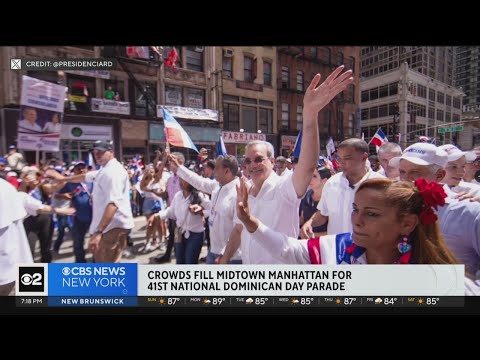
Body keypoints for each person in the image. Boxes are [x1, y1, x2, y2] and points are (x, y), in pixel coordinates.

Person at [234, 176, 479, 294]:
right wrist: (249, 220)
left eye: (371, 214)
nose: (356, 220)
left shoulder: (445, 286)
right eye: (355, 210)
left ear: (407, 223)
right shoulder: (336, 248)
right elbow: (287, 248)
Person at [220, 65, 354, 264]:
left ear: (272, 161)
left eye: (258, 159)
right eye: (247, 161)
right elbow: (239, 229)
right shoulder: (245, 191)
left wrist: (310, 113)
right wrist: (224, 260)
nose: (252, 165)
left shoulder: (284, 187)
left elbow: (307, 166)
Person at [389, 142, 480, 275]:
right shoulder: (392, 208)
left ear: (439, 175)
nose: (406, 179)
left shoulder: (469, 213)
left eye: (415, 172)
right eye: (402, 172)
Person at [46, 140, 134, 262]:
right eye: (95, 152)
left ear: (111, 152)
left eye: (101, 152)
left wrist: (99, 232)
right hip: (109, 226)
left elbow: (113, 204)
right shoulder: (105, 170)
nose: (97, 155)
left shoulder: (113, 172)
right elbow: (86, 176)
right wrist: (63, 178)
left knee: (105, 268)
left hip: (112, 227)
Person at [301, 138, 384, 238]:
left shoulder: (381, 185)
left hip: (368, 250)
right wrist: (310, 223)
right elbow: (323, 213)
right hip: (336, 250)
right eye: (339, 158)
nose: (341, 163)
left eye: (347, 158)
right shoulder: (332, 183)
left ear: (364, 157)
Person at [168, 153, 242, 264]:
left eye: (216, 168)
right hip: (213, 251)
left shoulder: (239, 193)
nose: (213, 171)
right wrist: (179, 167)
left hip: (231, 257)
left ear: (227, 171)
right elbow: (198, 181)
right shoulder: (216, 186)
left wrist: (226, 256)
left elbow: (239, 230)